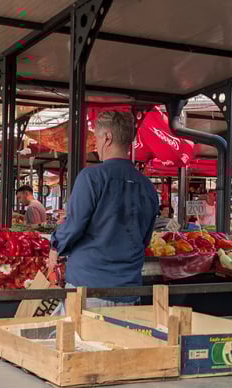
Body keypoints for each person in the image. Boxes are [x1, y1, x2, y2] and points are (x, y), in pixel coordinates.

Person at [49, 111, 158, 309]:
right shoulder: (147, 186)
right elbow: (145, 239)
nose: (96, 145)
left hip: (89, 289)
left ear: (107, 137)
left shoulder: (91, 177)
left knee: (79, 340)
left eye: (97, 138)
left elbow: (73, 226)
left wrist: (55, 246)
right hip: (129, 293)